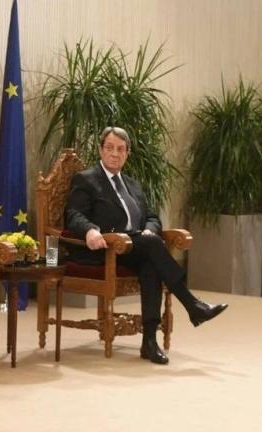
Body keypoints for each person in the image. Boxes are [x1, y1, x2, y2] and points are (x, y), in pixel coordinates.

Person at [64, 126, 228, 365]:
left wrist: (150, 229)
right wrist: (89, 230)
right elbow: (73, 214)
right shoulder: (87, 179)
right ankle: (192, 304)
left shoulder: (133, 185)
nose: (114, 153)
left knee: (151, 264)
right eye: (109, 148)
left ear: (127, 153)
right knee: (151, 250)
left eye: (120, 149)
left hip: (136, 245)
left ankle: (149, 342)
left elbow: (152, 216)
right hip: (105, 248)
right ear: (100, 150)